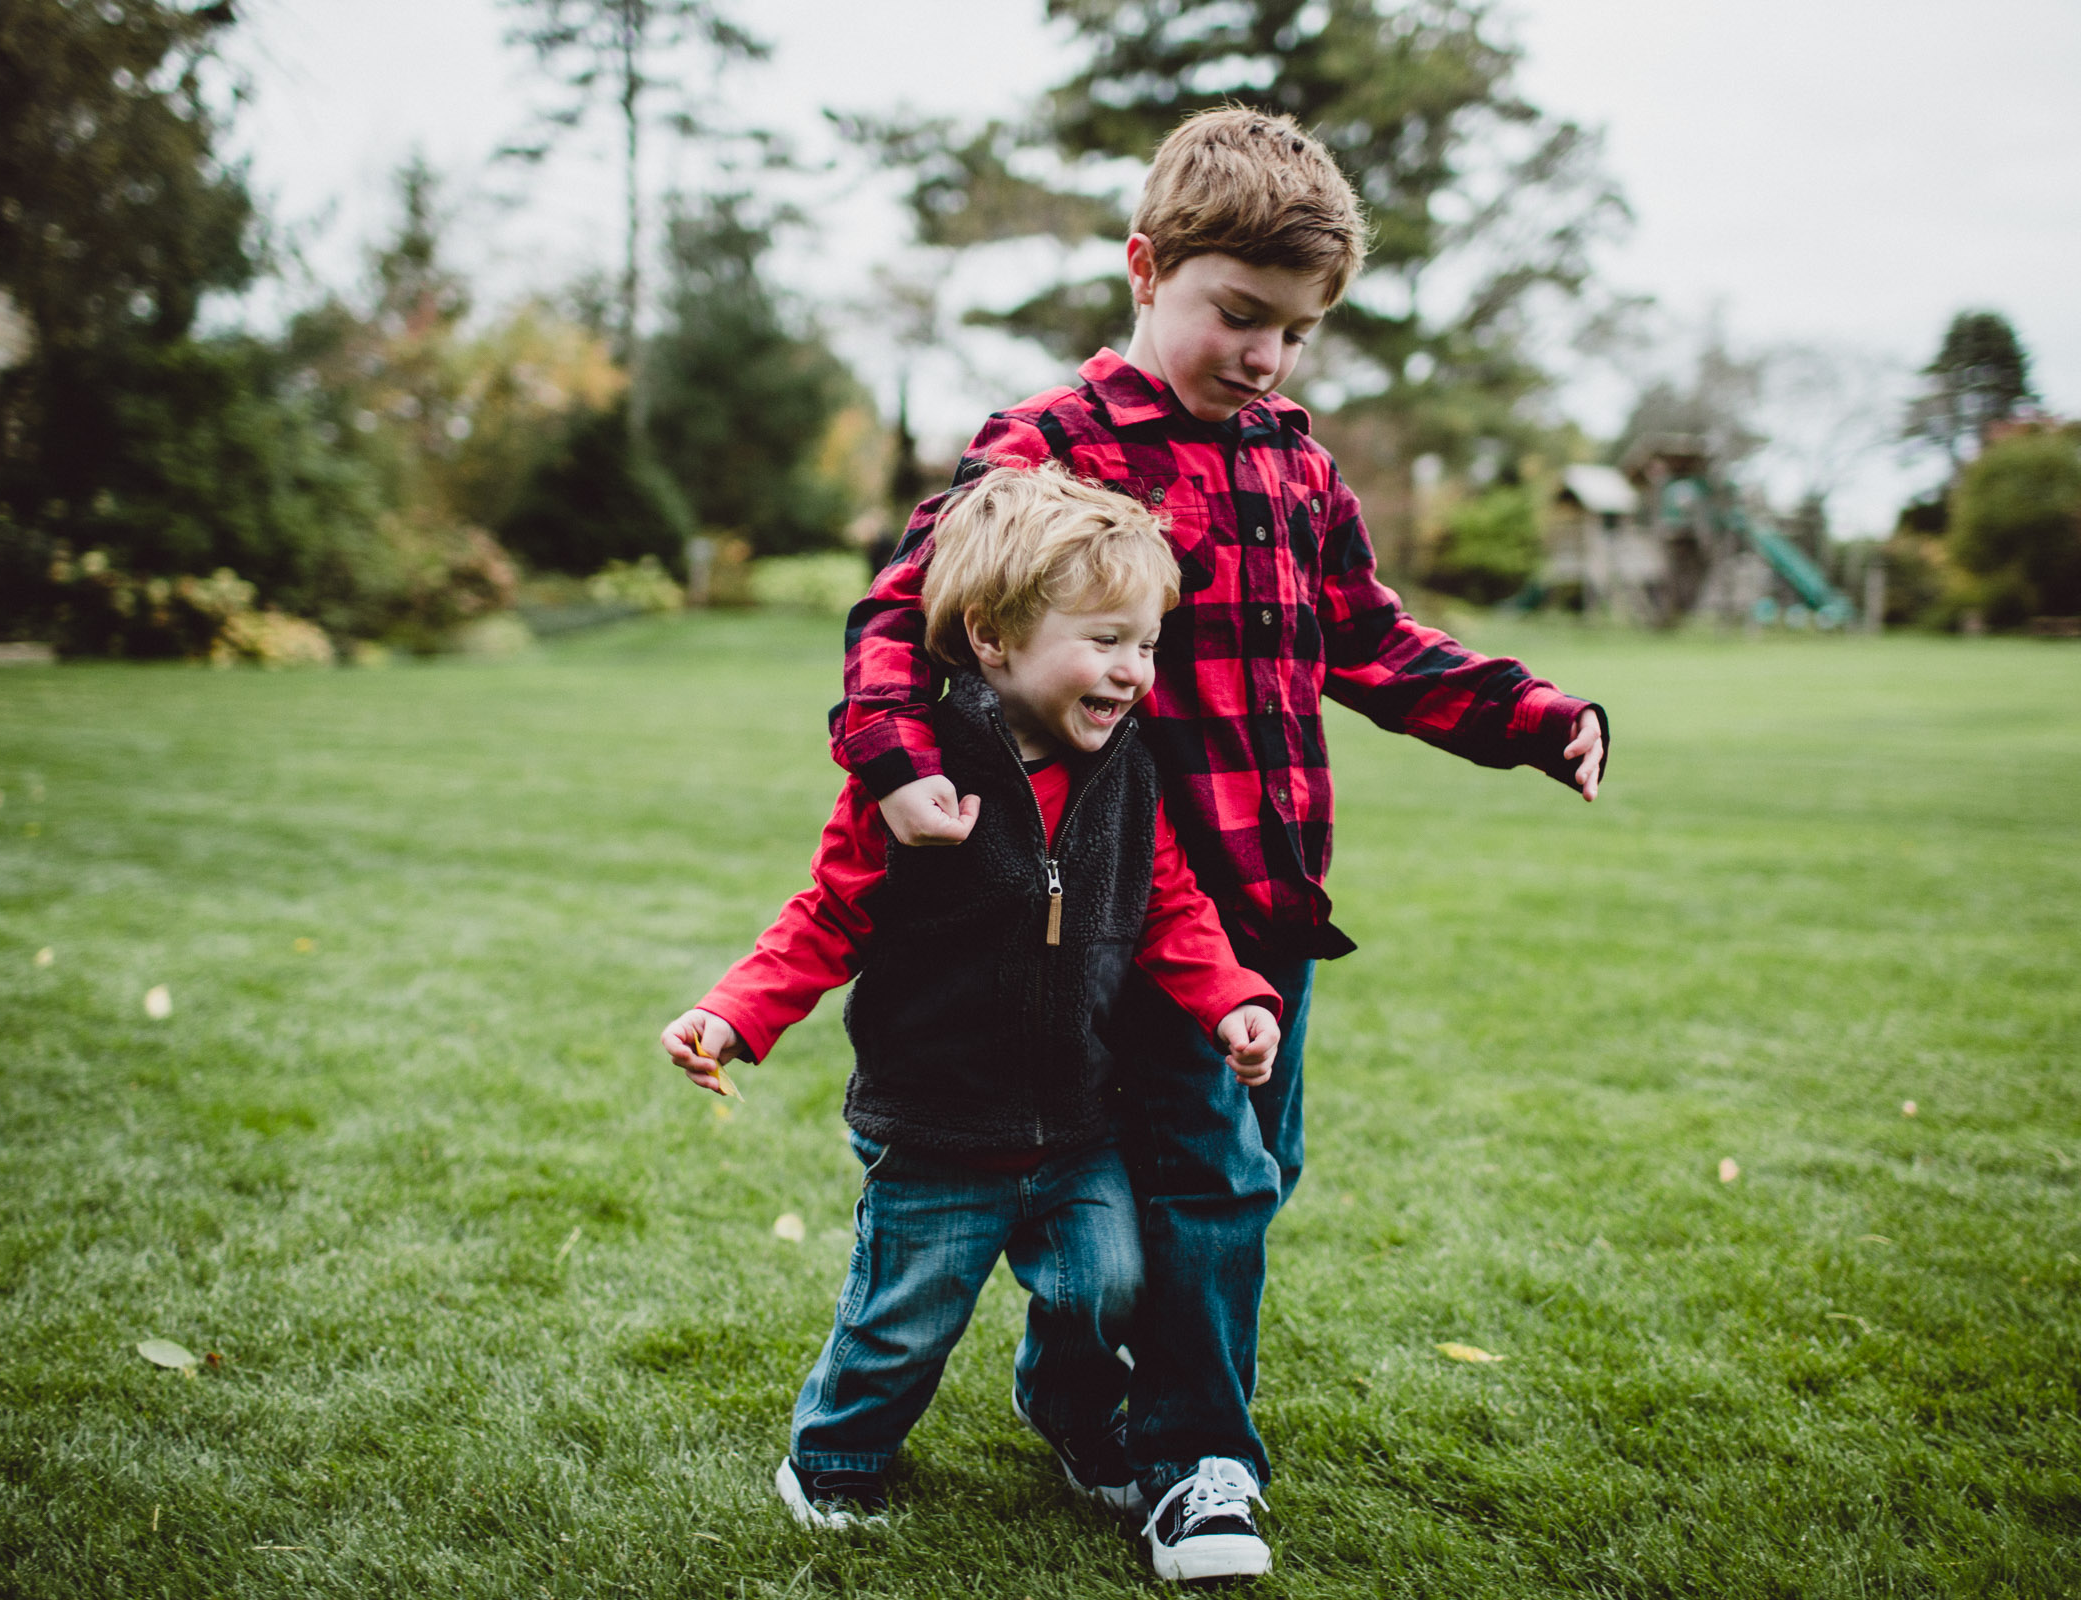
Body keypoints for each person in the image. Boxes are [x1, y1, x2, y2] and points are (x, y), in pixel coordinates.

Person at [832, 107, 1609, 1581]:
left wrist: (1529, 713)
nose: (1264, 356)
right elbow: (900, 612)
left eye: (1297, 333)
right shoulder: (1053, 449)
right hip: (1107, 908)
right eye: (1237, 315)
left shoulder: (1295, 468)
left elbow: (1368, 643)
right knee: (1205, 1188)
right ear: (1145, 267)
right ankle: (1203, 1469)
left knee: (1244, 1174)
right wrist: (894, 757)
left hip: (1267, 906)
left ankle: (1078, 1393)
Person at [659, 461, 1285, 1539]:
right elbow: (826, 915)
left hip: (1078, 1121)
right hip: (938, 1119)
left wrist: (1230, 996)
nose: (1133, 670)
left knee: (1111, 1287)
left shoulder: (1129, 771)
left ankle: (1071, 1413)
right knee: (905, 1316)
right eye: (1103, 640)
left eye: (1145, 643)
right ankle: (835, 1457)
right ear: (993, 638)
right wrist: (735, 1011)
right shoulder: (915, 776)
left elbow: (1169, 904)